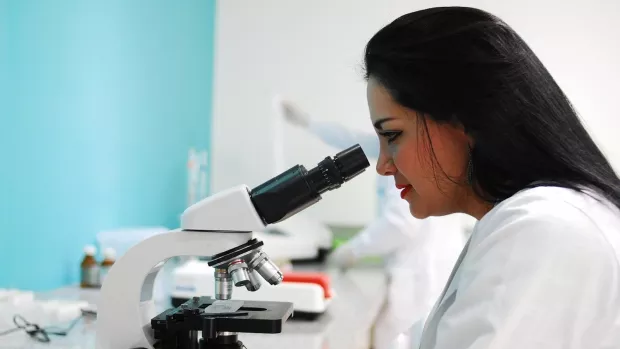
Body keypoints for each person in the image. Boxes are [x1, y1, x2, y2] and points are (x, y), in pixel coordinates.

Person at [362, 6, 620, 349]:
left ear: (464, 119)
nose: (383, 165)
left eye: (393, 135)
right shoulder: (538, 219)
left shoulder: (541, 229)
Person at [275, 96, 473, 349]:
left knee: (399, 337)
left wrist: (352, 250)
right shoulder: (401, 147)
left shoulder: (405, 160)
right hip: (425, 268)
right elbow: (351, 140)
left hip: (418, 274)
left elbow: (400, 224)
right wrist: (310, 124)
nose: (381, 165)